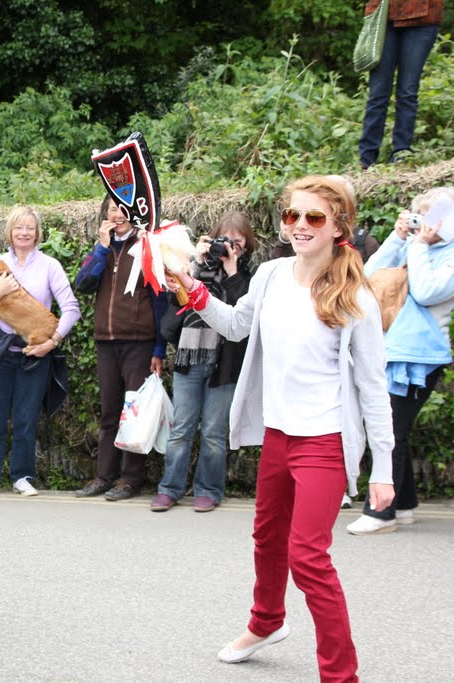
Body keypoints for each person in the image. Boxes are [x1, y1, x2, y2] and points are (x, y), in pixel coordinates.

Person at [169, 175, 394, 680]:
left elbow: (374, 388)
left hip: (325, 440)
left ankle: (341, 674)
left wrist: (383, 467)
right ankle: (267, 620)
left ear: (340, 225)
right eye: (292, 215)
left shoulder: (355, 295)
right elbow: (234, 326)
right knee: (267, 538)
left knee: (308, 557)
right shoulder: (270, 273)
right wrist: (194, 291)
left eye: (313, 217)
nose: (299, 226)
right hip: (277, 434)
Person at [347, 186, 454, 535]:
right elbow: (366, 277)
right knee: (396, 429)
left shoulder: (445, 254)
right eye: (421, 216)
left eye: (433, 217)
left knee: (390, 428)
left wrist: (419, 246)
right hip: (397, 350)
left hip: (423, 355)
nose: (427, 225)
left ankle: (381, 512)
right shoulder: (418, 247)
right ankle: (403, 505)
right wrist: (398, 238)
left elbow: (426, 291)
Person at [0, 207, 80, 498]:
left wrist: (51, 342)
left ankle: (22, 477)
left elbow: (71, 309)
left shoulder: (50, 266)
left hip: (35, 351)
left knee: (27, 418)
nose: (24, 233)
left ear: (37, 232)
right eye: (19, 228)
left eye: (30, 228)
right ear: (10, 232)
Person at [153, 211, 254, 513]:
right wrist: (193, 263)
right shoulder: (194, 267)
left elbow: (241, 311)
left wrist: (233, 268)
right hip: (190, 357)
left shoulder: (251, 275)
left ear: (247, 245)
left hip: (225, 363)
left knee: (212, 431)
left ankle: (208, 489)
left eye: (237, 242)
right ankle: (169, 488)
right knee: (181, 428)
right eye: (225, 240)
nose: (229, 247)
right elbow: (175, 301)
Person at [74, 196, 167, 501]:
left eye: (123, 209)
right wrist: (101, 248)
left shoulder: (146, 247)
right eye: (112, 209)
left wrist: (159, 349)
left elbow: (159, 300)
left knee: (134, 414)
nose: (118, 214)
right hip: (106, 342)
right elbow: (83, 283)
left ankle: (130, 479)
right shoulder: (102, 249)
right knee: (109, 413)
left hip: (139, 343)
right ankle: (104, 476)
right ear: (105, 215)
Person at [358, 0, 444, 168]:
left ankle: (401, 152)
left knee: (408, 92)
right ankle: (366, 158)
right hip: (383, 16)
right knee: (378, 93)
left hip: (423, 20)